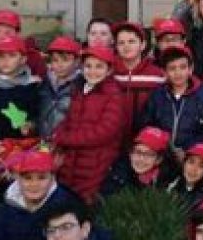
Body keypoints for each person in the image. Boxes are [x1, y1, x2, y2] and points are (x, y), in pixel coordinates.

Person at [52, 46, 127, 204]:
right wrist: (57, 133)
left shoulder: (114, 95)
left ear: (109, 70)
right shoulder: (80, 91)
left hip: (96, 165)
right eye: (88, 66)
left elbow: (104, 132)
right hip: (72, 162)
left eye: (99, 66)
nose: (93, 71)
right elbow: (69, 120)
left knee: (86, 207)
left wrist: (65, 138)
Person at [138, 43, 203, 155]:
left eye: (182, 67)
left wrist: (188, 150)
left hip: (195, 156)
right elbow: (148, 125)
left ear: (191, 69)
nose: (178, 73)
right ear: (164, 72)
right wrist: (162, 146)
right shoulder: (157, 96)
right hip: (163, 153)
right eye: (172, 68)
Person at [0, 35, 42, 141]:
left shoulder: (31, 86)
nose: (6, 60)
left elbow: (38, 116)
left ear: (23, 59)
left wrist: (31, 125)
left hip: (19, 148)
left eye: (12, 55)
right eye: (1, 56)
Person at [111, 20, 165, 133]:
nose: (126, 46)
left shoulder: (157, 75)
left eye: (131, 41)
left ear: (143, 45)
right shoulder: (110, 73)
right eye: (121, 43)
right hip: (114, 137)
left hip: (145, 138)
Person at [100, 126, 177, 197]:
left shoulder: (168, 183)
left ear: (158, 159)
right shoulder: (118, 174)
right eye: (138, 152)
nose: (141, 159)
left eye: (148, 154)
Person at [0, 9, 47, 78]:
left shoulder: (33, 57)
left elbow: (42, 83)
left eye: (8, 33)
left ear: (18, 34)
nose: (2, 37)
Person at [39, 36, 83, 136]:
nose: (60, 65)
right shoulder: (44, 84)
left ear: (76, 62)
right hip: (44, 142)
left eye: (65, 60)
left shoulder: (81, 86)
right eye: (55, 60)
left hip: (67, 144)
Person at [169, 143, 203, 214]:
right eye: (191, 162)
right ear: (184, 163)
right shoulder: (173, 185)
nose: (193, 169)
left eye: (201, 166)